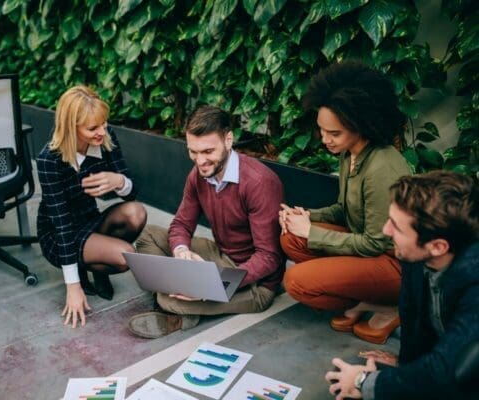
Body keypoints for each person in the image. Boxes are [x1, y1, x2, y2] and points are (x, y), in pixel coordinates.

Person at [279, 61, 411, 344]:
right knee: (291, 238)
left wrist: (311, 232)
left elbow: (377, 243)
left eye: (334, 133)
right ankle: (366, 299)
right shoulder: (349, 152)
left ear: (361, 125)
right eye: (322, 130)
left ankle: (388, 304)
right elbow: (344, 209)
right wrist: (306, 217)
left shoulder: (382, 167)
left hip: (394, 265)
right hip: (368, 250)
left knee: (296, 281)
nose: (325, 140)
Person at [127, 105, 285, 338]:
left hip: (256, 285)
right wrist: (181, 252)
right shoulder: (199, 175)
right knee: (147, 233)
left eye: (208, 151)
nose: (200, 161)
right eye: (193, 151)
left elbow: (269, 257)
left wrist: (214, 286)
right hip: (220, 255)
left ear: (228, 140)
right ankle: (182, 292)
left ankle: (177, 310)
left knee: (167, 298)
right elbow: (181, 224)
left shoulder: (259, 183)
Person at [325, 171, 478, 399]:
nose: (385, 230)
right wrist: (406, 368)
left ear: (437, 246)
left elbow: (448, 371)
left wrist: (362, 381)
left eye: (396, 226)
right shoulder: (416, 255)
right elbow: (413, 315)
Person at [36, 85, 146, 328]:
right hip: (58, 232)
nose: (102, 131)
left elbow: (132, 193)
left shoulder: (105, 138)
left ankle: (99, 268)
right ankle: (85, 269)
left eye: (104, 123)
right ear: (71, 127)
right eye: (93, 128)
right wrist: (72, 286)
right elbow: (61, 223)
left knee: (136, 213)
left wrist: (119, 181)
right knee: (126, 257)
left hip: (90, 218)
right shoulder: (48, 160)